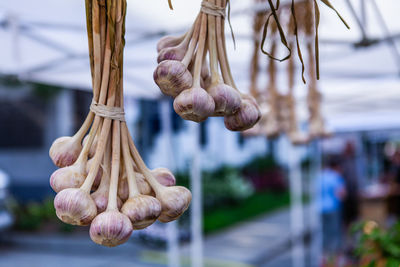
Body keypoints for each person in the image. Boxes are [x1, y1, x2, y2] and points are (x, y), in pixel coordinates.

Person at [318, 156, 347, 254]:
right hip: (333, 207)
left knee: (325, 232)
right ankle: (335, 257)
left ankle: (325, 254)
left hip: (320, 208)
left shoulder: (320, 176)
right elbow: (341, 194)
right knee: (335, 232)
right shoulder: (336, 176)